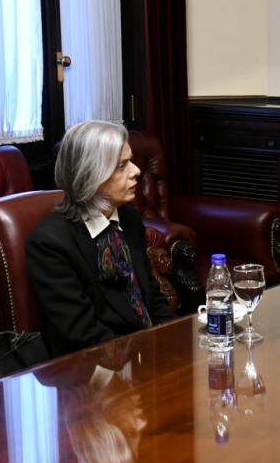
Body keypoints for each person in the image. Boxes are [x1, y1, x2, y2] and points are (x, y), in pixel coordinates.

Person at [27, 120, 178, 357]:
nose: (136, 171)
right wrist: (142, 359)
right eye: (122, 165)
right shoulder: (49, 243)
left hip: (146, 355)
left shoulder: (128, 218)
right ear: (89, 175)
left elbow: (152, 297)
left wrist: (175, 341)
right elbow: (81, 334)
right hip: (93, 370)